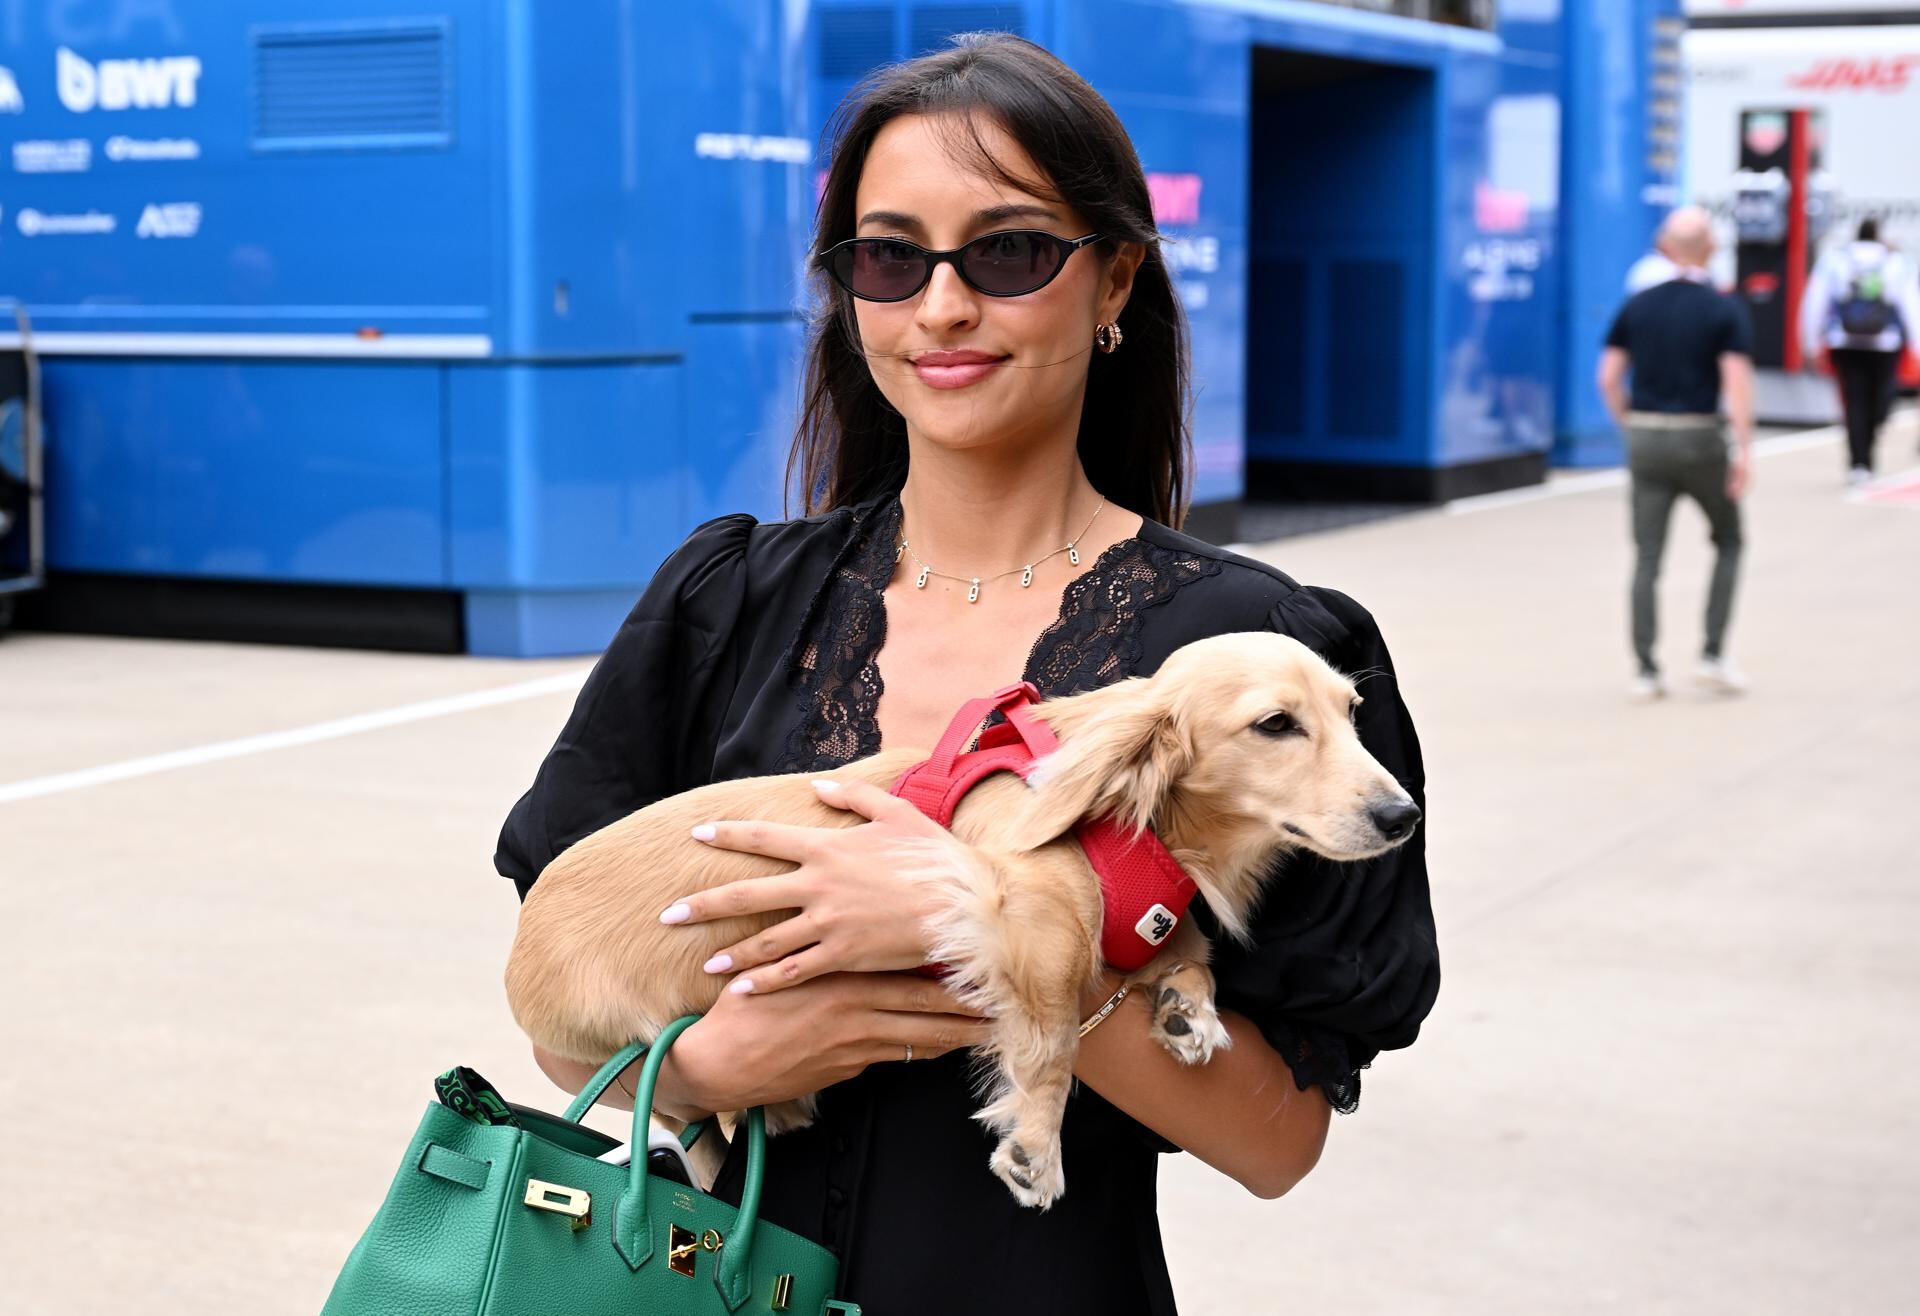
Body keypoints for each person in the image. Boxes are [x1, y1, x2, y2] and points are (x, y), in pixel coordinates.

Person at [493, 34, 1437, 1315]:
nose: (940, 306)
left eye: (1007, 252)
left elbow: (1277, 1143)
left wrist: (981, 934)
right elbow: (561, 1025)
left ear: (1116, 282)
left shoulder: (1259, 656)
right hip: (708, 1285)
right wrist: (715, 1063)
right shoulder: (728, 602)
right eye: (888, 258)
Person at [1597, 207, 1754, 700]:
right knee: (1728, 540)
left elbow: (1607, 377)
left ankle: (1646, 668)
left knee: (1647, 556)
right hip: (1701, 435)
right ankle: (1712, 654)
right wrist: (1743, 449)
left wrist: (1629, 423)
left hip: (1645, 435)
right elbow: (1736, 384)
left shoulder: (1638, 304)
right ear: (1710, 248)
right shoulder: (1723, 307)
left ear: (1666, 247)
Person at [1798, 217, 1920, 485]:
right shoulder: (1896, 262)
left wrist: (1808, 342)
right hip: (1885, 344)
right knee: (1880, 401)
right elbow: (1911, 304)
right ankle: (1864, 455)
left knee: (1855, 402)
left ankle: (1859, 462)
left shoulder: (1836, 260)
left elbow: (1814, 301)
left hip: (1845, 342)